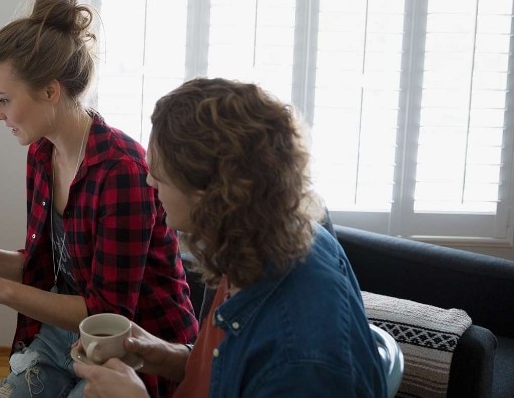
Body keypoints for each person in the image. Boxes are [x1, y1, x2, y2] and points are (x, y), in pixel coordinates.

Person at [0, 0, 198, 398]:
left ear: (51, 91)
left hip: (132, 350)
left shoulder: (122, 171)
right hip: (65, 334)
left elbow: (107, 314)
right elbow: (51, 268)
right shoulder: (40, 154)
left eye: (4, 100)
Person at [71, 77, 387, 397]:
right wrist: (170, 356)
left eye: (161, 174)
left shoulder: (301, 362)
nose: (150, 181)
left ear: (211, 194)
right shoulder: (255, 244)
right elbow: (234, 372)